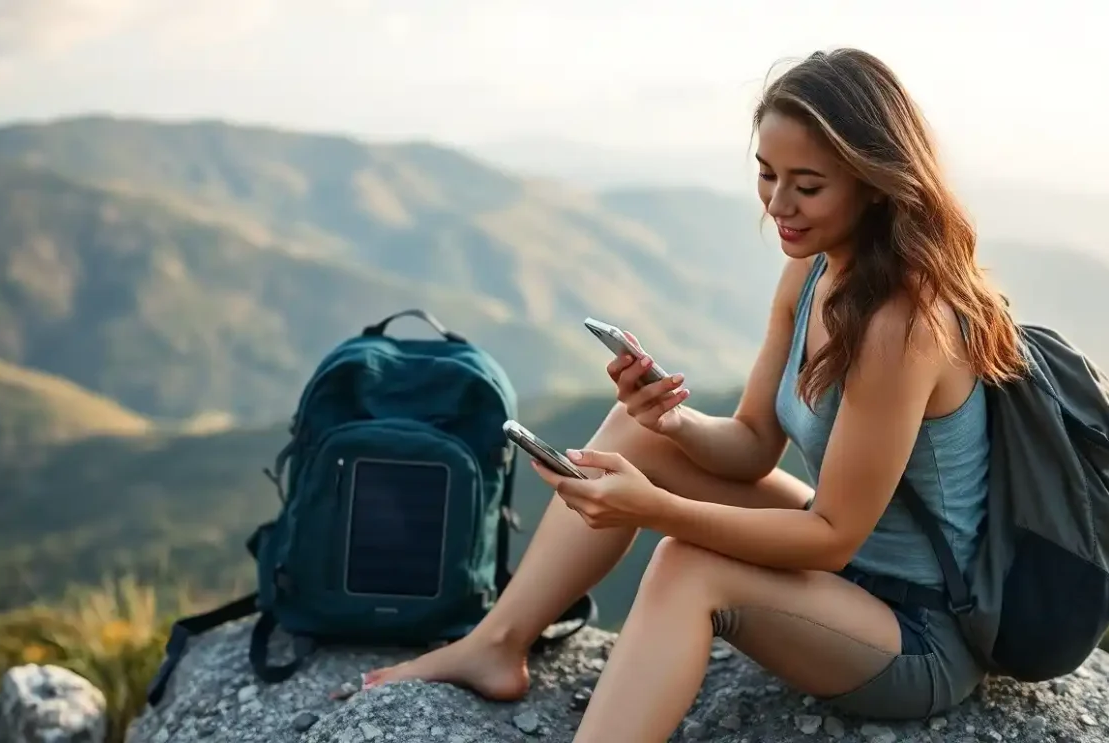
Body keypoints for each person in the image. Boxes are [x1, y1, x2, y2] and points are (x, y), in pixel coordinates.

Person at [360, 47, 1028, 741]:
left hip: (916, 628)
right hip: (855, 571)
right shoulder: (814, 273)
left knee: (687, 565)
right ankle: (497, 643)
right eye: (767, 175)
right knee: (635, 428)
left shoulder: (903, 325)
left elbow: (831, 537)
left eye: (808, 184)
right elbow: (749, 447)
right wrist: (672, 421)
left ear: (875, 184)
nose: (778, 205)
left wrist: (655, 508)